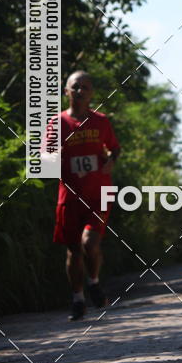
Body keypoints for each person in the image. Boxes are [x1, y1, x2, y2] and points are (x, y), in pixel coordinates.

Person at [46, 71, 121, 321]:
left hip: (98, 193)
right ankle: (78, 299)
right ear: (66, 91)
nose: (80, 92)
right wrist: (52, 158)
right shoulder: (57, 124)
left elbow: (115, 149)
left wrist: (110, 160)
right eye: (75, 87)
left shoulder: (101, 121)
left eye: (85, 88)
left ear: (91, 94)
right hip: (69, 196)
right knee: (73, 251)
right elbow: (46, 158)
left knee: (90, 242)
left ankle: (94, 283)